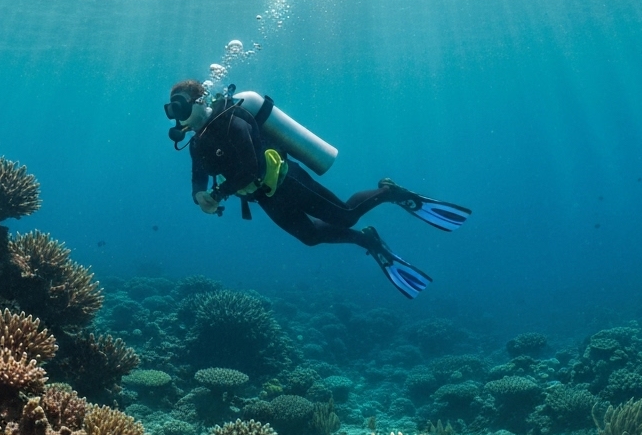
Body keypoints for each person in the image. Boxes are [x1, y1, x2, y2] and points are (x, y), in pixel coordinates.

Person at [164, 79, 471, 298]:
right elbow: (198, 175)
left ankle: (389, 191)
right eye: (171, 109)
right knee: (310, 237)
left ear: (199, 101)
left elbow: (251, 167)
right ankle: (367, 239)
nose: (176, 115)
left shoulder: (232, 121)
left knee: (346, 215)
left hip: (288, 182)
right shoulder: (198, 142)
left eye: (179, 106)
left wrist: (219, 194)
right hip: (265, 197)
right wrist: (198, 195)